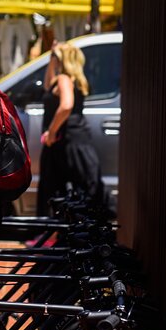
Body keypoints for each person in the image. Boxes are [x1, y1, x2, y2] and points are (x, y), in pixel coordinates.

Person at [37, 42, 103, 215]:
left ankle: (52, 233)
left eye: (56, 58)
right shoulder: (75, 81)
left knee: (56, 186)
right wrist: (52, 58)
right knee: (76, 187)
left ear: (63, 61)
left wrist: (51, 131)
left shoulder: (64, 80)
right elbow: (47, 86)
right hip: (74, 140)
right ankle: (58, 232)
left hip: (65, 141)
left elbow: (66, 106)